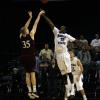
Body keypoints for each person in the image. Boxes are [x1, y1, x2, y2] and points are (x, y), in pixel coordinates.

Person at [42, 10, 78, 99]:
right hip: (58, 56)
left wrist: (82, 44)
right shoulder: (56, 32)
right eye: (60, 27)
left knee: (69, 73)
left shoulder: (67, 35)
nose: (60, 28)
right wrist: (44, 16)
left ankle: (73, 90)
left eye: (62, 27)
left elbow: (76, 41)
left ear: (64, 30)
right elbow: (51, 24)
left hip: (65, 54)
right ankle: (68, 92)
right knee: (63, 75)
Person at [20, 10, 45, 99]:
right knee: (32, 73)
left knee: (27, 74)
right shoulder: (31, 34)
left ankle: (29, 91)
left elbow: (25, 27)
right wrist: (39, 14)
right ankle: (34, 91)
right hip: (30, 56)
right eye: (27, 28)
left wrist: (30, 17)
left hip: (23, 57)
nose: (28, 28)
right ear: (26, 31)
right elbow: (36, 23)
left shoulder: (21, 36)